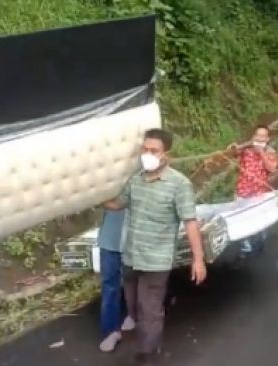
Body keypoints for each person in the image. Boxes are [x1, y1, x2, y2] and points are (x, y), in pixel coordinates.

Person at [104, 128, 207, 366]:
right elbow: (118, 203)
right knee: (133, 307)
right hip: (131, 257)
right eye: (145, 149)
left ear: (166, 154)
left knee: (149, 310)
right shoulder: (135, 180)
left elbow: (190, 222)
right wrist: (87, 197)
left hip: (156, 261)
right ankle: (146, 338)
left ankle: (147, 354)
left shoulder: (179, 184)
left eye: (154, 151)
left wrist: (198, 258)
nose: (147, 154)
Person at [228, 125, 278, 255]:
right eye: (258, 135)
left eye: (263, 136)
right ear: (253, 136)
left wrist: (261, 152)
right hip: (243, 191)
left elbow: (272, 168)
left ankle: (259, 241)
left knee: (258, 221)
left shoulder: (271, 152)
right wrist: (236, 146)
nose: (260, 138)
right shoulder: (246, 150)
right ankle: (244, 247)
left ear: (268, 138)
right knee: (241, 218)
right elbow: (230, 153)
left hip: (259, 193)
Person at [97, 208, 136, 352]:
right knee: (110, 286)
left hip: (136, 240)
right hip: (110, 239)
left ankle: (134, 314)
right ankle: (111, 332)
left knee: (136, 280)